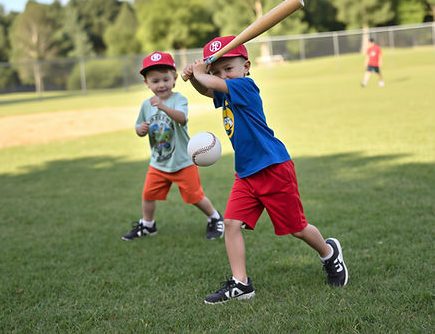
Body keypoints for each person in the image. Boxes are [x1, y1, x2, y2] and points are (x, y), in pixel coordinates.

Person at [183, 36, 348, 304]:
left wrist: (203, 73)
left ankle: (329, 253)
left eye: (229, 68)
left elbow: (211, 83)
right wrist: (194, 78)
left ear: (246, 66)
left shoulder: (246, 86)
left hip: (273, 168)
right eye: (217, 70)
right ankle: (241, 284)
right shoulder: (224, 90)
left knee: (297, 228)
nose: (223, 75)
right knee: (231, 223)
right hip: (246, 174)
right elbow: (207, 90)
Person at [122, 51, 224, 242]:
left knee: (196, 197)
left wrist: (163, 107)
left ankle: (215, 217)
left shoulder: (179, 100)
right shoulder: (146, 105)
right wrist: (140, 130)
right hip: (159, 163)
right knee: (148, 195)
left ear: (175, 78)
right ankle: (148, 225)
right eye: (155, 81)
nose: (161, 84)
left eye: (165, 79)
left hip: (183, 162)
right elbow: (139, 126)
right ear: (147, 83)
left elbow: (182, 118)